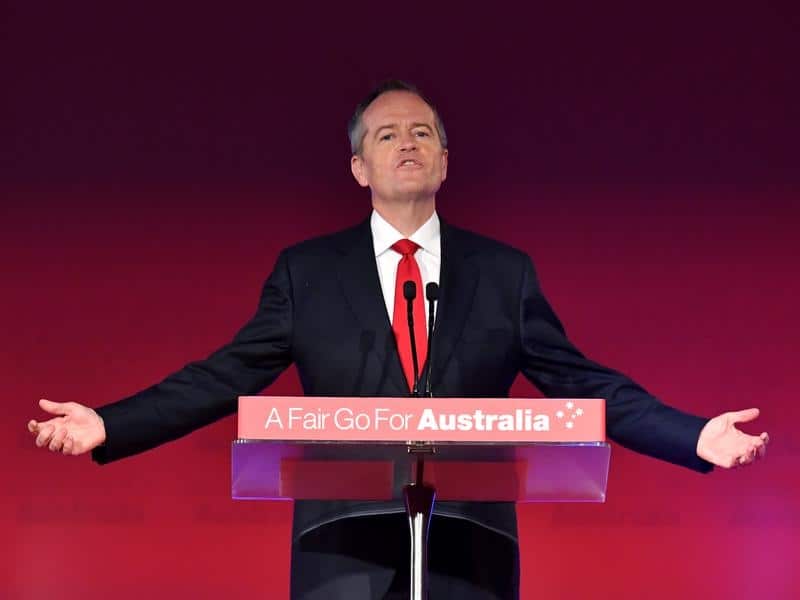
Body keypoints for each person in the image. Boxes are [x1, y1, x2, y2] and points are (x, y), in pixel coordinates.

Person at [28, 80, 769, 599]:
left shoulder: (503, 273)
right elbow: (224, 375)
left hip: (470, 548)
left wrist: (692, 435)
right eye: (387, 134)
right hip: (341, 547)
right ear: (359, 168)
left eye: (423, 132)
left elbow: (582, 382)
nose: (406, 143)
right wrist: (107, 423)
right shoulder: (308, 272)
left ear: (445, 162)